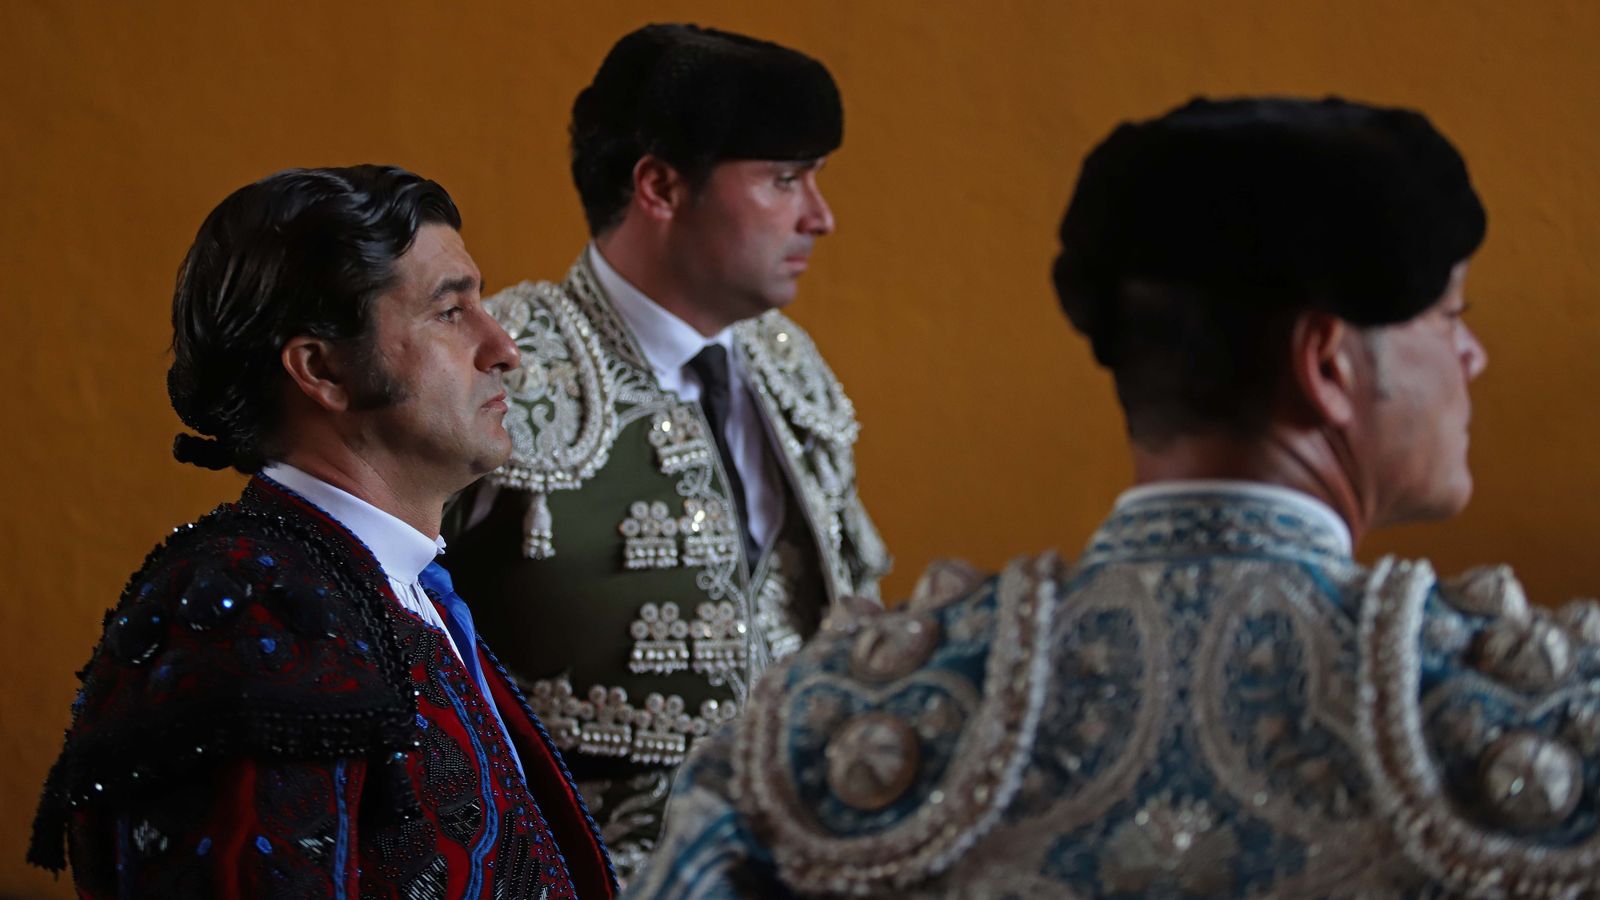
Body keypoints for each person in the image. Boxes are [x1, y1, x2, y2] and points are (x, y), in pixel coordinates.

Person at [634, 97, 1600, 898]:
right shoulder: (1552, 719)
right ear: (1328, 364)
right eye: (1450, 316)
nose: (1472, 355)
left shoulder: (825, 721)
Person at [28, 166, 616, 898]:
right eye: (448, 312)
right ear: (322, 369)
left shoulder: (383, 584)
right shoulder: (247, 605)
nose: (503, 347)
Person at [440, 24, 890, 881]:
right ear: (660, 186)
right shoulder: (503, 362)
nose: (820, 217)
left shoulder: (790, 363)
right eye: (785, 179)